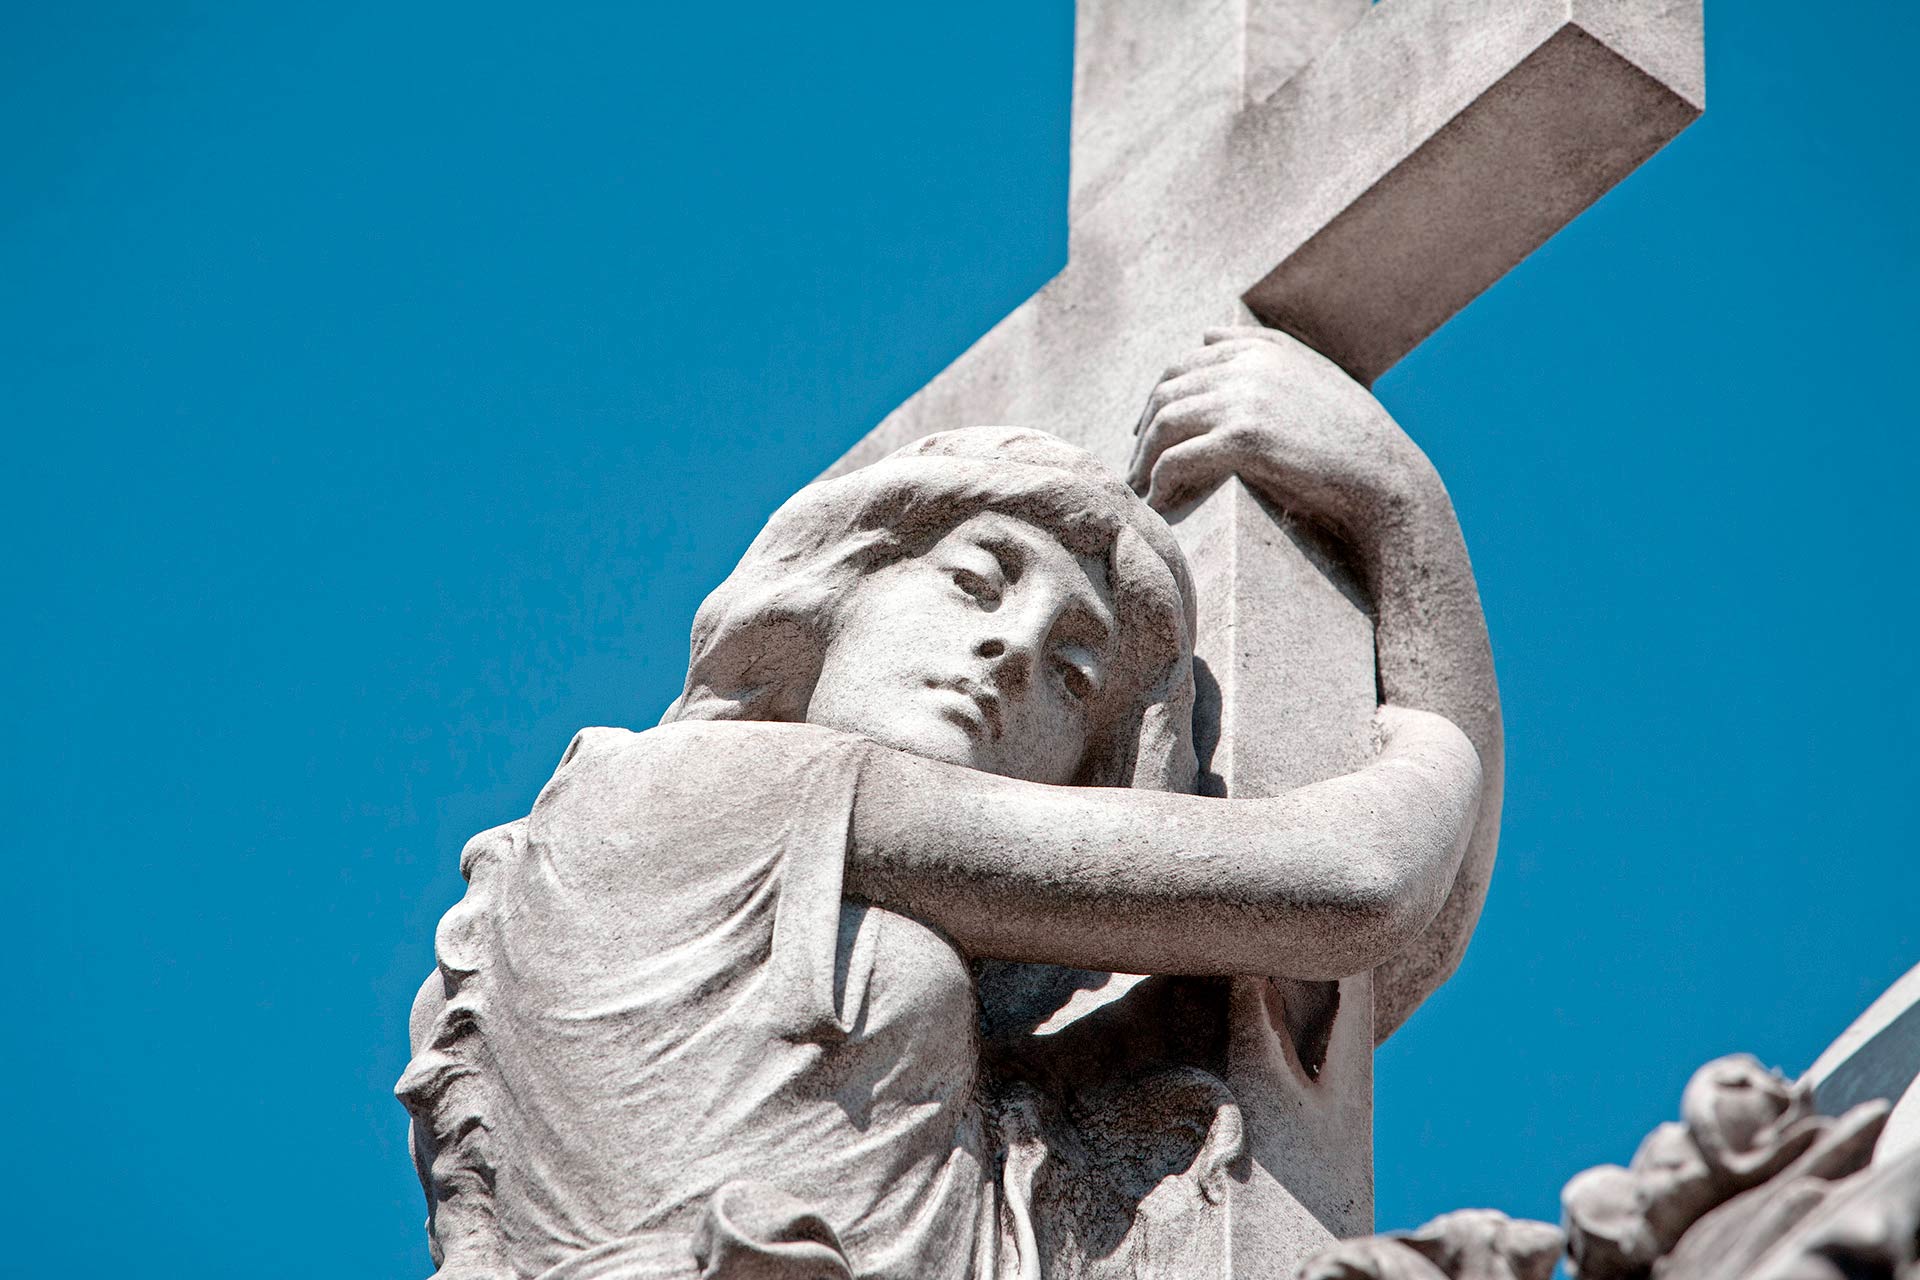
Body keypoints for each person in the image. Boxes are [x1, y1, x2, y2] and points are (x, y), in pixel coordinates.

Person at [398, 328, 1500, 1280]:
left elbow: (1331, 990)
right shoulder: (697, 788)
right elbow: (1355, 884)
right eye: (975, 581)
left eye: (1075, 675)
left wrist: (1407, 535)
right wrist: (1401, 520)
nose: (1012, 650)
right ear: (834, 595)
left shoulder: (961, 1102)